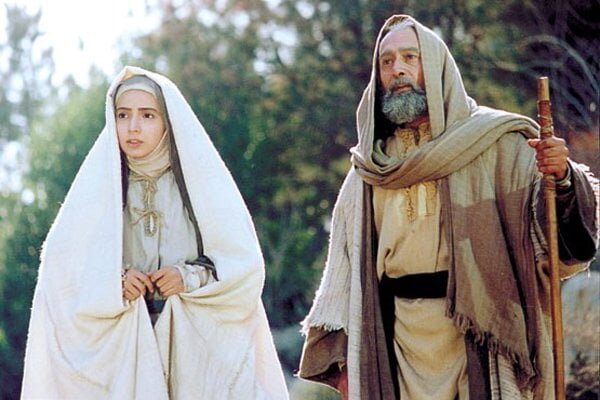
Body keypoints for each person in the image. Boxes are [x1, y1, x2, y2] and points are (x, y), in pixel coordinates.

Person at [298, 15, 598, 400]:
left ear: (437, 66)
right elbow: (343, 269)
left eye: (410, 57)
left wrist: (563, 178)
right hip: (395, 345)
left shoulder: (498, 143)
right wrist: (344, 360)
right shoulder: (368, 171)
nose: (398, 69)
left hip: (479, 339)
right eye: (387, 62)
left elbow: (554, 237)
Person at [22, 66, 289, 399]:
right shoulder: (96, 190)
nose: (133, 127)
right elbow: (60, 273)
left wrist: (188, 277)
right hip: (122, 352)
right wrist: (114, 281)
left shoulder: (201, 185)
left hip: (195, 348)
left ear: (167, 121)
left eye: (147, 115)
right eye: (123, 115)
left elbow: (243, 269)